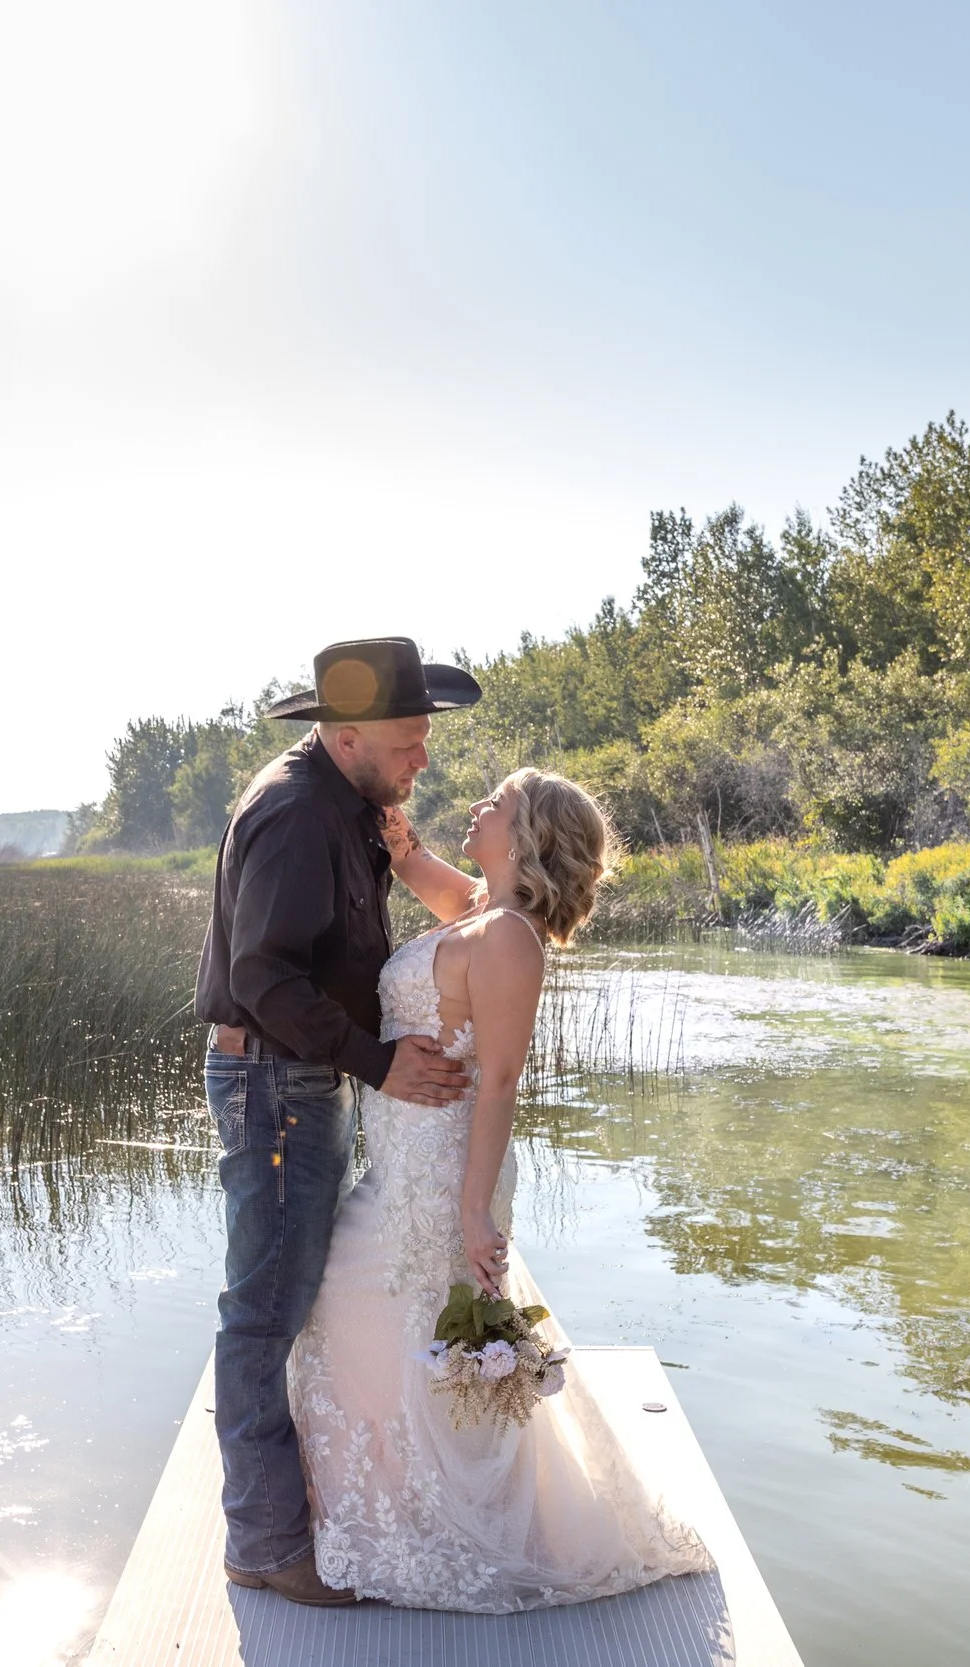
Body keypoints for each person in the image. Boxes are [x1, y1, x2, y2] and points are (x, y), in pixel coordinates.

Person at [288, 767, 711, 1611]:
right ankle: (391, 1506)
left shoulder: (509, 936)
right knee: (379, 1319)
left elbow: (502, 1081)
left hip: (444, 1175)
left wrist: (475, 1210)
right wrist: (397, 840)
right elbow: (430, 878)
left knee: (364, 1306)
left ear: (526, 838)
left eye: (498, 802)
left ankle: (425, 1518)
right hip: (406, 1164)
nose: (479, 804)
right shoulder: (484, 913)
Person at [195, 637, 481, 1606]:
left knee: (282, 1303)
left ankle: (289, 1517)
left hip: (297, 1081)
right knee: (262, 1316)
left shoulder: (343, 805)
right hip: (277, 1085)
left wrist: (399, 846)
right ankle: (267, 1545)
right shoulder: (295, 809)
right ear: (347, 734)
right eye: (410, 739)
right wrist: (379, 1058)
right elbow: (260, 975)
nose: (425, 758)